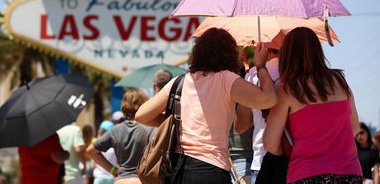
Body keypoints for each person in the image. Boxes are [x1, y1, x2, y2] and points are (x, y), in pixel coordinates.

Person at [135, 28, 277, 184]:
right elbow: (269, 99)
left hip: (176, 170)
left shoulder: (181, 81)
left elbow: (141, 115)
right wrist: (260, 65)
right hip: (211, 168)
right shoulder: (227, 79)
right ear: (229, 54)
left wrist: (176, 124)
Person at [263, 27, 363, 183]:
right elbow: (355, 128)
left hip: (307, 173)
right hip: (349, 173)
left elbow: (270, 143)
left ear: (287, 54)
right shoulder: (340, 81)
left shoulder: (287, 89)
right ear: (318, 51)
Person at [87, 88, 153, 184]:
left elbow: (91, 150)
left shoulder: (115, 130)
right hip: (141, 180)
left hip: (120, 180)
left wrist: (113, 170)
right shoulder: (149, 129)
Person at [235, 46, 280, 184]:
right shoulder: (303, 73)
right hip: (299, 162)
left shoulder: (253, 75)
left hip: (263, 159)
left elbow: (241, 125)